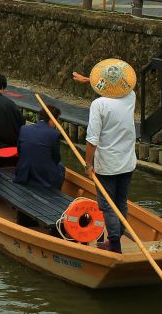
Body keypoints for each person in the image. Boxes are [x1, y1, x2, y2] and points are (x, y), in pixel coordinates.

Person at [75, 58, 137, 254]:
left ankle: (114, 244)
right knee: (121, 202)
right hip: (127, 161)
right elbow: (116, 92)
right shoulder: (131, 96)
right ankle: (119, 233)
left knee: (108, 206)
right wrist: (90, 81)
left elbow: (92, 138)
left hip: (107, 164)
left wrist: (87, 164)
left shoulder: (98, 105)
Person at [15, 105, 65, 190]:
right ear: (52, 120)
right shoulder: (54, 134)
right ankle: (55, 192)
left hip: (23, 174)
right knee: (61, 166)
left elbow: (19, 152)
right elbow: (56, 159)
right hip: (44, 179)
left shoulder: (24, 129)